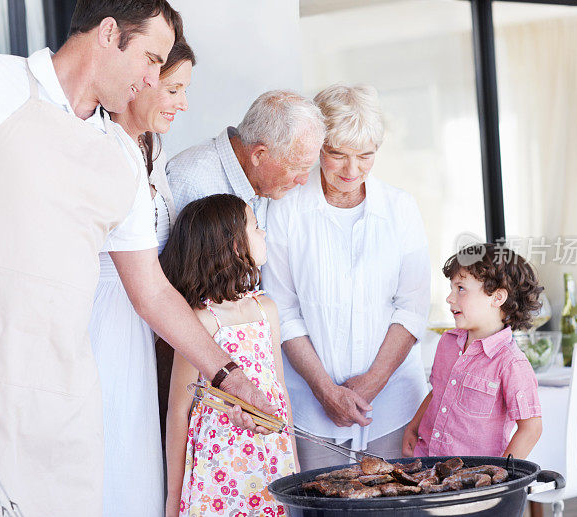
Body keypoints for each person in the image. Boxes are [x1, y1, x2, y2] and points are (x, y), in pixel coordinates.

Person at [0, 0, 271, 515]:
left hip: (67, 402)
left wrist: (230, 376)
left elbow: (152, 292)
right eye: (151, 59)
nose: (153, 81)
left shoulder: (123, 156)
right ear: (109, 35)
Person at [261, 84, 431, 471]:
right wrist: (325, 390)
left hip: (393, 404)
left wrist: (372, 382)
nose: (351, 170)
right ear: (317, 146)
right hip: (311, 404)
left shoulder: (401, 209)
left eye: (365, 155)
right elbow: (282, 310)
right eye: (336, 154)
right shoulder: (286, 210)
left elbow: (413, 307)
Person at [88, 37, 194, 517]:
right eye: (173, 89)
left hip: (144, 326)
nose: (182, 103)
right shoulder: (98, 144)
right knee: (106, 454)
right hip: (101, 323)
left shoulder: (155, 148)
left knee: (137, 457)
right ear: (141, 82)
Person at [160, 194, 299, 517]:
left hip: (271, 462)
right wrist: (173, 497)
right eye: (256, 227)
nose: (264, 234)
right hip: (218, 469)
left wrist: (293, 462)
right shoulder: (201, 321)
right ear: (236, 246)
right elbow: (179, 411)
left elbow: (279, 391)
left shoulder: (267, 310)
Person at [401, 243, 544, 459]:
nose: (450, 298)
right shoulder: (448, 343)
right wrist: (413, 428)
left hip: (474, 480)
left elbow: (531, 428)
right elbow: (438, 392)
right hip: (426, 464)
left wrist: (502, 475)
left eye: (461, 288)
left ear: (497, 298)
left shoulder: (510, 363)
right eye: (451, 288)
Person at [165, 89, 325, 228]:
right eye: (297, 167)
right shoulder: (190, 182)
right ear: (258, 155)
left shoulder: (262, 182)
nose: (303, 180)